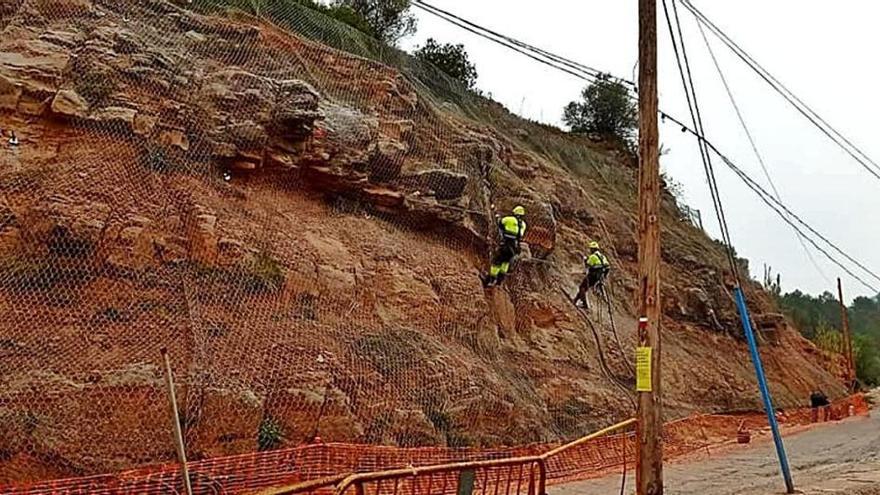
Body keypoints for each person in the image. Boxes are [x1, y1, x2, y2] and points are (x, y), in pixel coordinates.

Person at [482, 206, 527, 288]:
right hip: (515, 247)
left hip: (506, 244)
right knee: (505, 262)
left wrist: (496, 216)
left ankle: (490, 280)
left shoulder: (509, 219)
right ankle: (499, 281)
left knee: (497, 261)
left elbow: (499, 223)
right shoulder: (523, 225)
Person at [573, 241, 610, 310]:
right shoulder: (603, 257)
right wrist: (603, 277)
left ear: (592, 249)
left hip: (593, 275)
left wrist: (585, 260)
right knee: (584, 287)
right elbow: (608, 267)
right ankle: (575, 300)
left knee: (582, 287)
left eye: (591, 249)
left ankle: (584, 304)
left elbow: (587, 265)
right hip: (599, 277)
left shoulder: (593, 256)